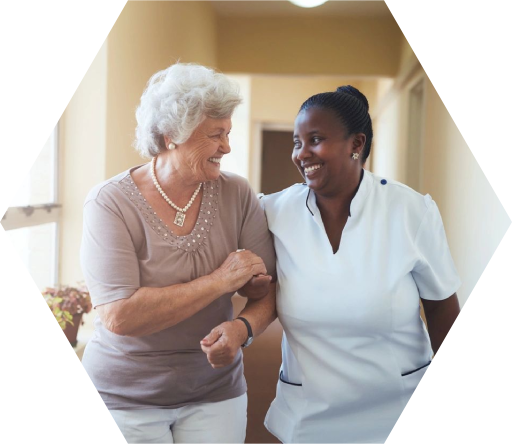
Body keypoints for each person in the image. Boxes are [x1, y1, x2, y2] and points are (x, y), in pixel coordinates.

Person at [205, 85, 461, 444]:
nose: (302, 153)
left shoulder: (410, 211)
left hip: (399, 415)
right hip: (310, 416)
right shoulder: (273, 212)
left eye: (316, 139)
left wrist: (451, 413)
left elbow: (443, 310)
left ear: (356, 144)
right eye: (297, 142)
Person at [79, 62, 277, 444]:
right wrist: (220, 281)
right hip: (122, 397)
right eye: (215, 135)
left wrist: (243, 327)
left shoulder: (237, 193)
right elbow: (120, 315)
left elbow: (266, 291)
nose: (227, 146)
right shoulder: (110, 203)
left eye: (228, 133)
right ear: (172, 135)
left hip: (215, 389)